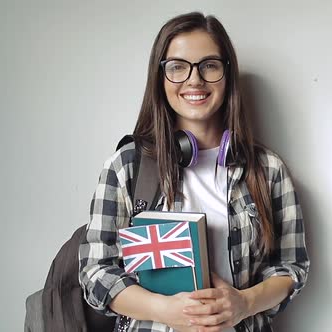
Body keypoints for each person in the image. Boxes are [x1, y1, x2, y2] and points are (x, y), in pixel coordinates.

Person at [79, 12, 309, 332]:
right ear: (160, 78)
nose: (194, 80)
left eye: (209, 65)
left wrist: (245, 303)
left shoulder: (268, 170)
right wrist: (167, 310)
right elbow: (96, 272)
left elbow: (291, 267)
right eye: (177, 67)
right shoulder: (126, 166)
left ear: (227, 75)